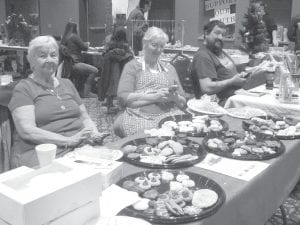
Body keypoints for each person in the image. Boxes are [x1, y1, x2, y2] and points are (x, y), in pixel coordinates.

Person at [8, 36, 108, 168]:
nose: (49, 60)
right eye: (43, 56)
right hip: (44, 152)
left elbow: (84, 117)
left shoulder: (67, 84)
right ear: (31, 60)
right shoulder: (24, 88)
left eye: (53, 55)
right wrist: (69, 140)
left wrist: (94, 133)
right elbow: (27, 131)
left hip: (80, 148)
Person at [113, 27, 186, 137]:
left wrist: (173, 97)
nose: (158, 50)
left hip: (169, 116)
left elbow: (183, 102)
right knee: (147, 136)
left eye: (161, 46)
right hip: (139, 116)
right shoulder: (132, 66)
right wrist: (155, 97)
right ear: (145, 43)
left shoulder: (170, 68)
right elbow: (124, 97)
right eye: (154, 45)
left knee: (183, 131)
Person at [191, 20, 249, 106]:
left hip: (236, 97)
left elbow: (229, 72)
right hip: (219, 104)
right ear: (206, 33)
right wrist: (232, 81)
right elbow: (207, 88)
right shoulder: (203, 56)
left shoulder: (220, 52)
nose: (221, 37)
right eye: (217, 33)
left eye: (223, 34)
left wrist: (243, 75)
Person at [99, 27, 134, 113]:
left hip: (107, 67)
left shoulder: (110, 44)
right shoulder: (122, 45)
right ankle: (110, 106)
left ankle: (108, 102)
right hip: (115, 67)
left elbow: (104, 53)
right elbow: (128, 56)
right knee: (113, 85)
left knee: (108, 84)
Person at [60, 21, 98, 98]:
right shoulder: (74, 36)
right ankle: (86, 92)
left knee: (84, 70)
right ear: (74, 28)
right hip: (75, 64)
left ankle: (80, 91)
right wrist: (87, 44)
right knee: (94, 70)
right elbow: (85, 48)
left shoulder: (64, 38)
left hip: (67, 66)